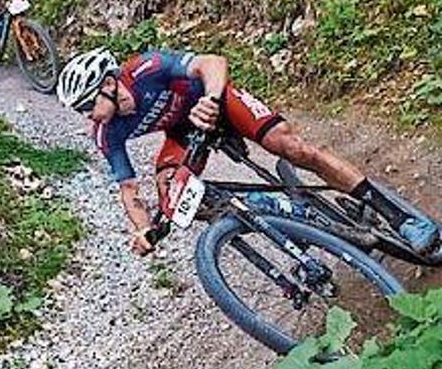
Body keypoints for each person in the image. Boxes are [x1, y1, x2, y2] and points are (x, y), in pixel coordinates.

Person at [56, 48, 440, 256]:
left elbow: (212, 62)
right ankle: (281, 215)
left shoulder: (147, 68)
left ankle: (401, 217)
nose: (86, 114)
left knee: (293, 148)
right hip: (183, 129)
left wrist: (209, 98)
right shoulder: (107, 133)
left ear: (108, 84)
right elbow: (128, 190)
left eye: (87, 104)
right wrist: (142, 229)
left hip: (216, 103)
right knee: (170, 191)